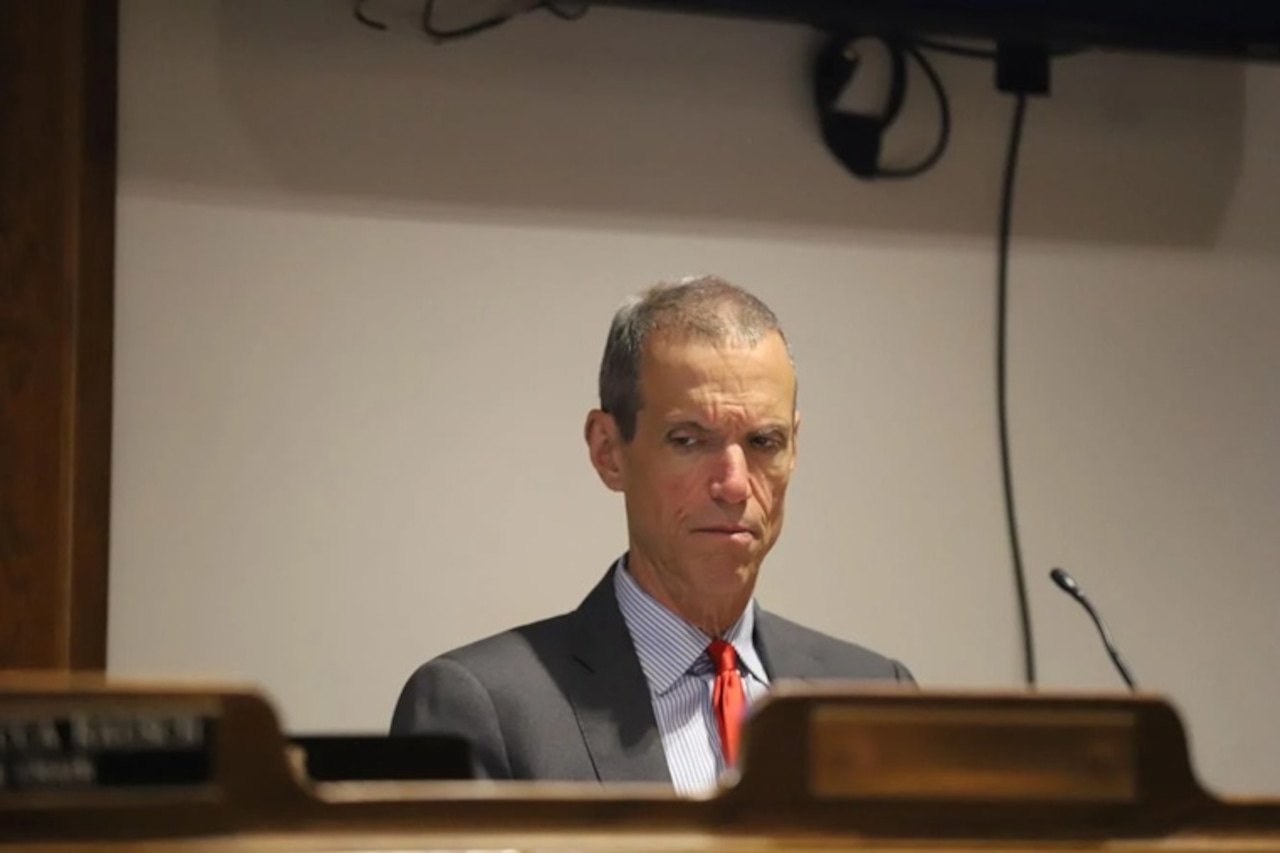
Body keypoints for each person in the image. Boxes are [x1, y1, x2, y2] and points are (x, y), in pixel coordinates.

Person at [390, 275, 913, 794]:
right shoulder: (482, 708)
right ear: (608, 451)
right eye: (688, 440)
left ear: (794, 448)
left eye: (764, 441)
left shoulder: (876, 698)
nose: (733, 484)